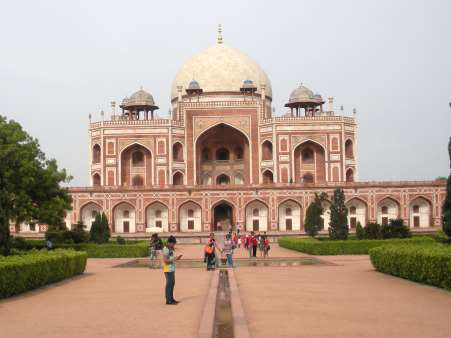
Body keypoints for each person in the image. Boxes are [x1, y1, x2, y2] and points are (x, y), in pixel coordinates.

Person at [162, 236, 182, 305]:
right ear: (170, 242)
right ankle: (168, 300)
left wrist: (175, 258)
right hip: (167, 269)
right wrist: (174, 259)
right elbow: (165, 261)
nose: (174, 245)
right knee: (169, 284)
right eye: (173, 243)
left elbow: (169, 258)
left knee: (172, 283)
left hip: (171, 268)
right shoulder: (166, 249)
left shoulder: (169, 248)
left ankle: (171, 298)